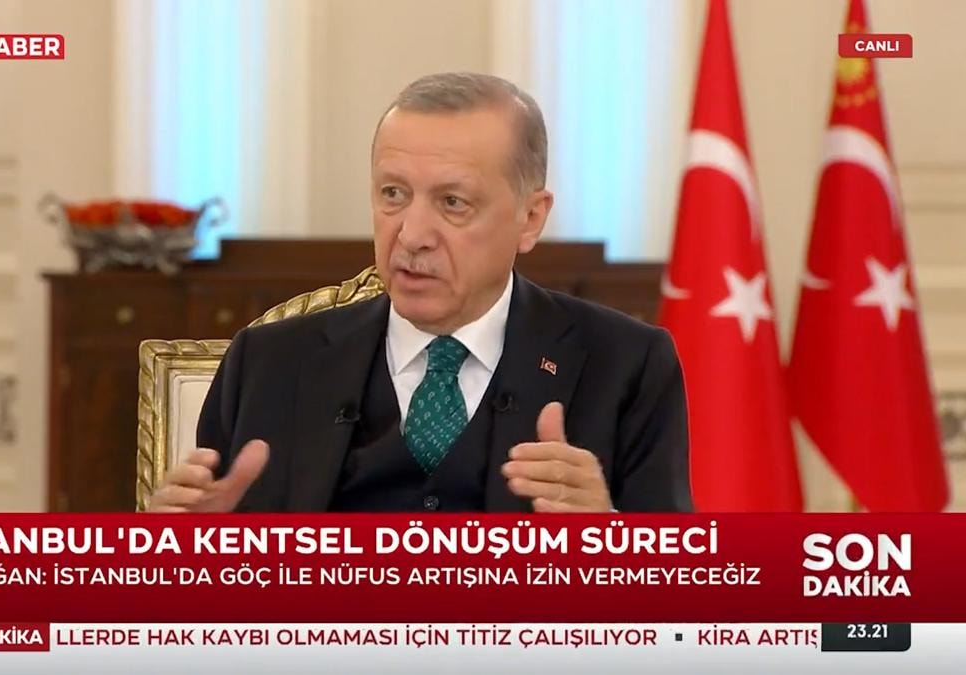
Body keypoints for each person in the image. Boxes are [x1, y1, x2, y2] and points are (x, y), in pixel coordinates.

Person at [148, 72, 692, 513]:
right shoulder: (267, 363)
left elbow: (679, 600)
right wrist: (190, 558)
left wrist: (609, 541)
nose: (411, 235)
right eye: (393, 194)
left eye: (453, 203)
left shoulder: (626, 365)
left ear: (530, 218)